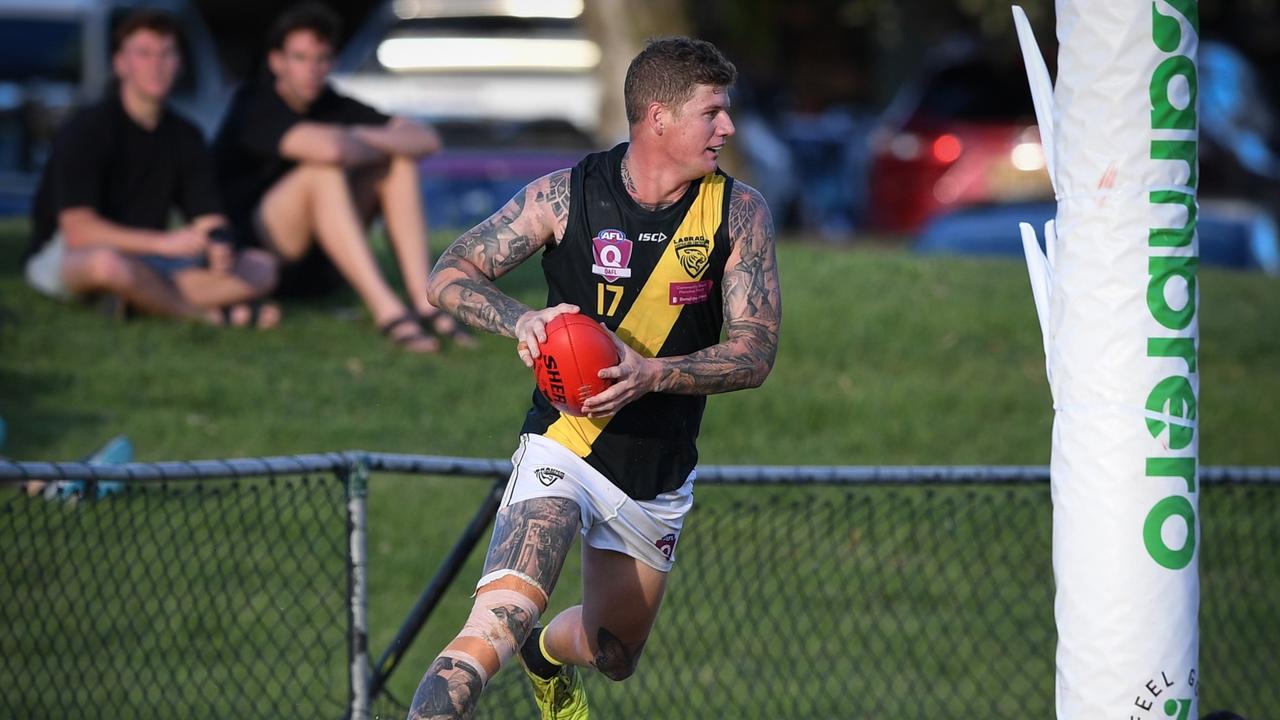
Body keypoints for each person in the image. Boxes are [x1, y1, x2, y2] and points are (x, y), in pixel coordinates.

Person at [409, 37, 782, 719]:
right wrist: (520, 320)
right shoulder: (565, 195)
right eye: (713, 113)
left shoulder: (739, 211)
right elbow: (448, 275)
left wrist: (649, 374)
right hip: (565, 443)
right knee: (497, 622)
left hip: (656, 470)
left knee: (614, 653)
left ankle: (546, 658)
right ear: (658, 118)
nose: (727, 128)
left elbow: (756, 352)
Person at [213, 2, 470, 353]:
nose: (311, 69)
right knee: (321, 172)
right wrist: (357, 140)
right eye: (300, 58)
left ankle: (424, 300)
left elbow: (425, 140)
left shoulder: (333, 104)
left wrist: (355, 139)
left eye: (320, 59)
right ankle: (387, 311)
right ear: (276, 62)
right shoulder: (254, 104)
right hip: (260, 261)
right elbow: (329, 151)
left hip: (322, 264)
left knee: (399, 164)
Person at [24, 9, 280, 327]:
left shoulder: (185, 135)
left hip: (147, 257)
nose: (156, 65)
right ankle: (203, 315)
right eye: (144, 54)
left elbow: (208, 216)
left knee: (262, 266)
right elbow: (79, 232)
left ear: (179, 63)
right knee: (109, 265)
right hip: (73, 254)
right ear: (120, 63)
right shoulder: (86, 129)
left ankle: (138, 299)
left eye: (166, 54)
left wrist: (220, 245)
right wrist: (163, 243)